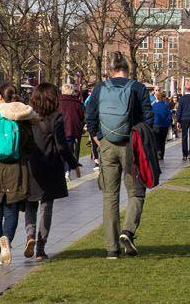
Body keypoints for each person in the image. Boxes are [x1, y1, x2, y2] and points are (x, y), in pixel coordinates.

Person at [85, 52, 150, 259]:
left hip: (107, 145)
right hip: (131, 144)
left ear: (111, 70)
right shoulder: (137, 88)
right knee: (136, 193)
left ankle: (111, 248)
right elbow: (149, 117)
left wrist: (98, 139)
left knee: (110, 196)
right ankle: (127, 231)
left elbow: (90, 116)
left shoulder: (100, 88)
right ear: (127, 69)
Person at [0, 84, 36, 267]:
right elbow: (30, 146)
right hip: (15, 170)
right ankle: (7, 242)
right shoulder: (24, 118)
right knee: (11, 212)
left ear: (0, 98)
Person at [23, 83, 82, 261]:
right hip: (50, 164)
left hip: (31, 164)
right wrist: (74, 164)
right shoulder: (56, 117)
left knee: (30, 205)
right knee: (46, 207)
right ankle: (41, 246)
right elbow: (61, 145)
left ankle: (30, 235)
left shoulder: (27, 116)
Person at [58, 83, 87, 164]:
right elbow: (82, 117)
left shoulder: (57, 103)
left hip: (60, 129)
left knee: (61, 149)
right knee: (70, 148)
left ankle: (66, 166)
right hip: (73, 129)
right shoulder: (77, 103)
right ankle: (71, 164)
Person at [150, 89, 172, 162]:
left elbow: (151, 115)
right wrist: (169, 123)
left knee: (156, 140)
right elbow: (169, 116)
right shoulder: (166, 106)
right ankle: (161, 154)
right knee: (163, 141)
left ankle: (158, 153)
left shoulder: (154, 106)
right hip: (164, 125)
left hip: (156, 125)